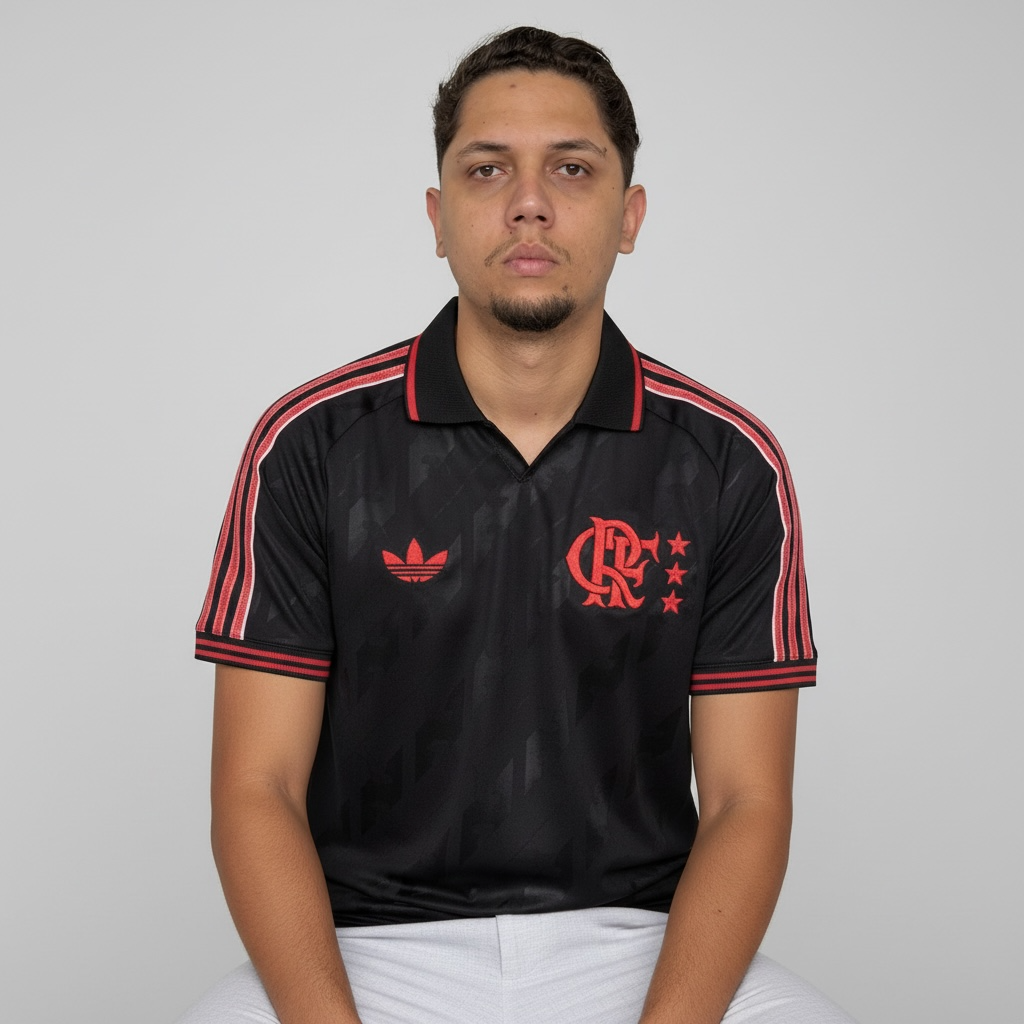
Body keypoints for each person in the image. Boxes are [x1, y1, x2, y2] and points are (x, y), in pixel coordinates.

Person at [181, 26, 856, 1024]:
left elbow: (746, 803)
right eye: (487, 167)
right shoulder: (312, 444)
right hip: (369, 948)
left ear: (629, 215)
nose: (528, 202)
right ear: (438, 216)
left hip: (637, 942)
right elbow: (256, 789)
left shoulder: (724, 461)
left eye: (571, 168)